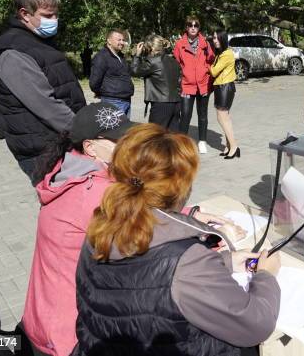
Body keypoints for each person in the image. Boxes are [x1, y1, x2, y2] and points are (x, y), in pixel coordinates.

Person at [22, 104, 244, 356]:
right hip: (70, 336)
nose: (130, 145)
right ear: (90, 147)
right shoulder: (95, 193)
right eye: (119, 140)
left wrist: (189, 213)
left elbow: (140, 206)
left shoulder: (72, 173)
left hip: (45, 318)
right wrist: (216, 241)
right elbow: (157, 240)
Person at [73, 124, 281, 355]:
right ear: (180, 188)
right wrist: (266, 276)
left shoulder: (101, 224)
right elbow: (256, 324)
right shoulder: (185, 260)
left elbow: (147, 279)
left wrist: (224, 261)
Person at [0, 0, 86, 185]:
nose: (55, 20)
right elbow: (47, 106)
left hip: (61, 141)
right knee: (67, 207)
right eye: (47, 16)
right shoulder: (13, 51)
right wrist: (85, 131)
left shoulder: (37, 42)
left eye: (56, 14)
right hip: (43, 150)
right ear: (25, 14)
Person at [174, 15, 215, 154]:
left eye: (195, 25)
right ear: (186, 27)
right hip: (187, 84)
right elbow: (177, 63)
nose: (193, 28)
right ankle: (182, 143)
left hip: (203, 84)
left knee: (202, 114)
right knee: (185, 114)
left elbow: (211, 60)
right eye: (190, 25)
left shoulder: (206, 44)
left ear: (199, 28)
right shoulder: (180, 44)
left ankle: (202, 141)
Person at [131, 34, 181, 130]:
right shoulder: (173, 61)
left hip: (161, 104)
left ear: (151, 48)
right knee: (172, 137)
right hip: (176, 102)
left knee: (155, 136)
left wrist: (137, 55)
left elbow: (134, 71)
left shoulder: (153, 61)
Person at [89, 29, 134, 117]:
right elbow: (94, 82)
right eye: (119, 40)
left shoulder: (121, 56)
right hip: (112, 102)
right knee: (114, 130)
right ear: (109, 41)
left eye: (123, 40)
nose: (122, 42)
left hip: (126, 100)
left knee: (125, 130)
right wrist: (101, 92)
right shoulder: (101, 57)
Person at [210, 30, 240, 159]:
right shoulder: (220, 53)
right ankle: (229, 145)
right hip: (221, 87)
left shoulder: (226, 54)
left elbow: (214, 71)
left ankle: (234, 146)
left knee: (222, 117)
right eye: (214, 38)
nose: (215, 40)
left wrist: (207, 65)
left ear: (223, 39)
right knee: (224, 118)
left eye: (217, 38)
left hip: (225, 87)